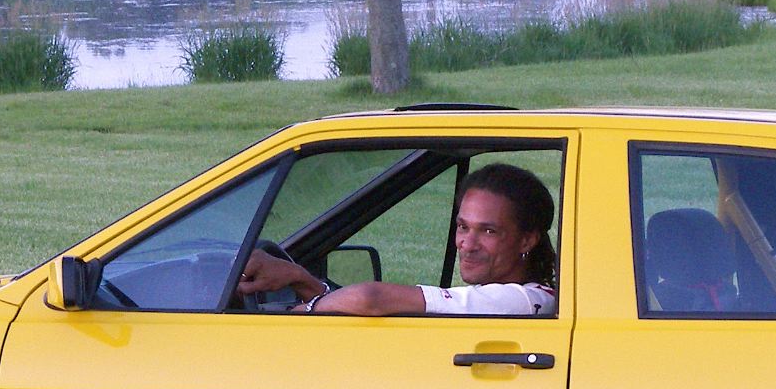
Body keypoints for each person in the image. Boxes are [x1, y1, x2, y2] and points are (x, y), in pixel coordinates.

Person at [237, 163, 557, 316]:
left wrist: (296, 313)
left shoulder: (521, 301)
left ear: (527, 240)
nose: (467, 244)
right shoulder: (519, 298)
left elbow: (371, 299)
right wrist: (299, 279)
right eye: (463, 227)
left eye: (488, 231)